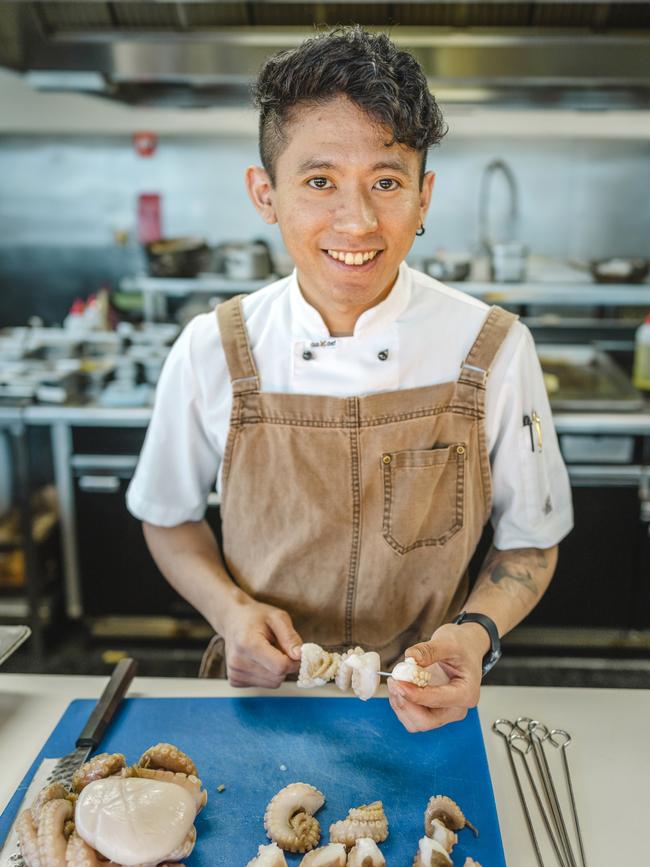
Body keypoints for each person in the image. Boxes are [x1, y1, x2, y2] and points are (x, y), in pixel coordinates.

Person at [126, 26, 573, 732]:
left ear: (424, 197)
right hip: (258, 696)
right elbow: (166, 515)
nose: (357, 221)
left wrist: (476, 634)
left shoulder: (493, 349)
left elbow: (532, 539)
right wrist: (231, 612)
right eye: (319, 180)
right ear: (265, 193)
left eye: (386, 182)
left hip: (421, 699)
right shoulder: (212, 347)